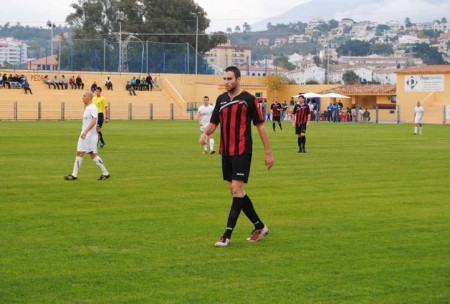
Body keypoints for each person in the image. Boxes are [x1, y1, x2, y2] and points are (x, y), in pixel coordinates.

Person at [199, 66, 274, 247]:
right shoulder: (221, 100)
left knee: (236, 189)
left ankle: (226, 235)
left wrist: (268, 152)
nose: (226, 82)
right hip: (226, 151)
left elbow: (261, 126)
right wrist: (205, 134)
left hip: (242, 150)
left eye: (230, 79)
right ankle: (259, 226)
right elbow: (213, 123)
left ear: (238, 79)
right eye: (224, 79)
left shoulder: (248, 100)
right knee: (236, 191)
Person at [64, 90, 110, 181]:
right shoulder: (88, 107)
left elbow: (94, 120)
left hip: (88, 135)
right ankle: (105, 173)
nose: (83, 97)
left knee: (85, 153)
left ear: (89, 97)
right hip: (87, 134)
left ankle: (75, 175)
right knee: (88, 154)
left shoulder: (92, 107)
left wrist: (85, 131)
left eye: (84, 96)